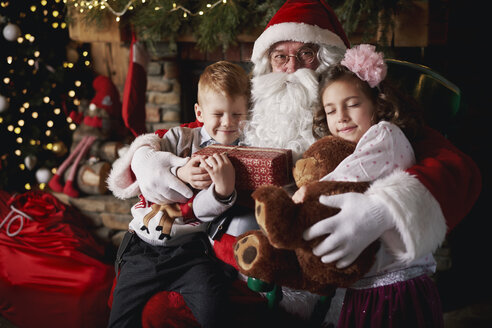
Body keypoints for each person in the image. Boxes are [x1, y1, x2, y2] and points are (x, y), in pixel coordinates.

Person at [293, 44, 444, 327]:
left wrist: (308, 192)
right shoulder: (356, 146)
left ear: (377, 104)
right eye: (331, 110)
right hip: (368, 287)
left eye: (352, 104)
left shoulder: (385, 136)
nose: (341, 117)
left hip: (395, 289)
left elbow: (344, 180)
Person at [107, 60, 251, 328]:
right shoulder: (181, 138)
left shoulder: (243, 154)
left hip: (192, 251)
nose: (228, 124)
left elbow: (200, 212)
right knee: (120, 317)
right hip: (143, 247)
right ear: (199, 112)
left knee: (215, 310)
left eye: (237, 115)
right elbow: (148, 163)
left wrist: (222, 191)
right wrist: (180, 171)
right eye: (218, 114)